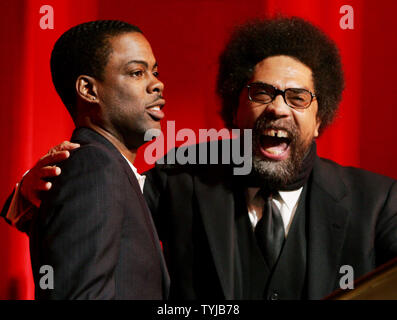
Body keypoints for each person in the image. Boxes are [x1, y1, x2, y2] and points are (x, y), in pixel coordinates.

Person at [2, 17, 397, 300]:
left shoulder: (377, 202)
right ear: (234, 110)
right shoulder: (182, 178)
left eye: (297, 98)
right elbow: (94, 217)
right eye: (261, 93)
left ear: (318, 120)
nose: (278, 108)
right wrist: (27, 193)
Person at [1, 20, 170, 299]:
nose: (158, 84)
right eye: (137, 73)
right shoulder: (94, 167)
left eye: (155, 71)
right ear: (89, 90)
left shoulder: (112, 170)